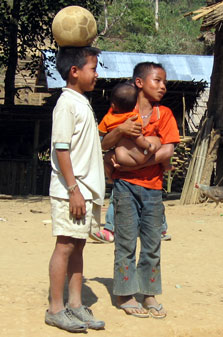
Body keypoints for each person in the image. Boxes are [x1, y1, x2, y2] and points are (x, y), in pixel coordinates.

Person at [100, 62, 180, 318]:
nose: (162, 86)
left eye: (164, 82)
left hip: (153, 189)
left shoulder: (164, 114)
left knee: (152, 243)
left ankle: (148, 293)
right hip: (125, 187)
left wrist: (129, 161)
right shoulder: (122, 110)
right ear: (139, 83)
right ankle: (124, 293)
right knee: (124, 241)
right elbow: (105, 144)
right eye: (157, 80)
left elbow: (168, 150)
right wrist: (126, 133)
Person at [45, 46, 106, 332]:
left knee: (79, 245)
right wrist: (73, 190)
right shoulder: (66, 104)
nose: (96, 75)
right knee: (65, 245)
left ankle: (75, 304)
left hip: (84, 190)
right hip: (72, 191)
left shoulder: (81, 102)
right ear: (74, 71)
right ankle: (56, 309)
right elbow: (61, 149)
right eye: (92, 69)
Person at [99, 82, 171, 182]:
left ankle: (109, 179)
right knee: (155, 140)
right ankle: (162, 160)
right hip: (142, 155)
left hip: (123, 158)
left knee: (107, 158)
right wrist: (121, 129)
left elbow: (100, 135)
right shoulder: (134, 116)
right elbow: (137, 135)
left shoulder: (109, 117)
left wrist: (132, 167)